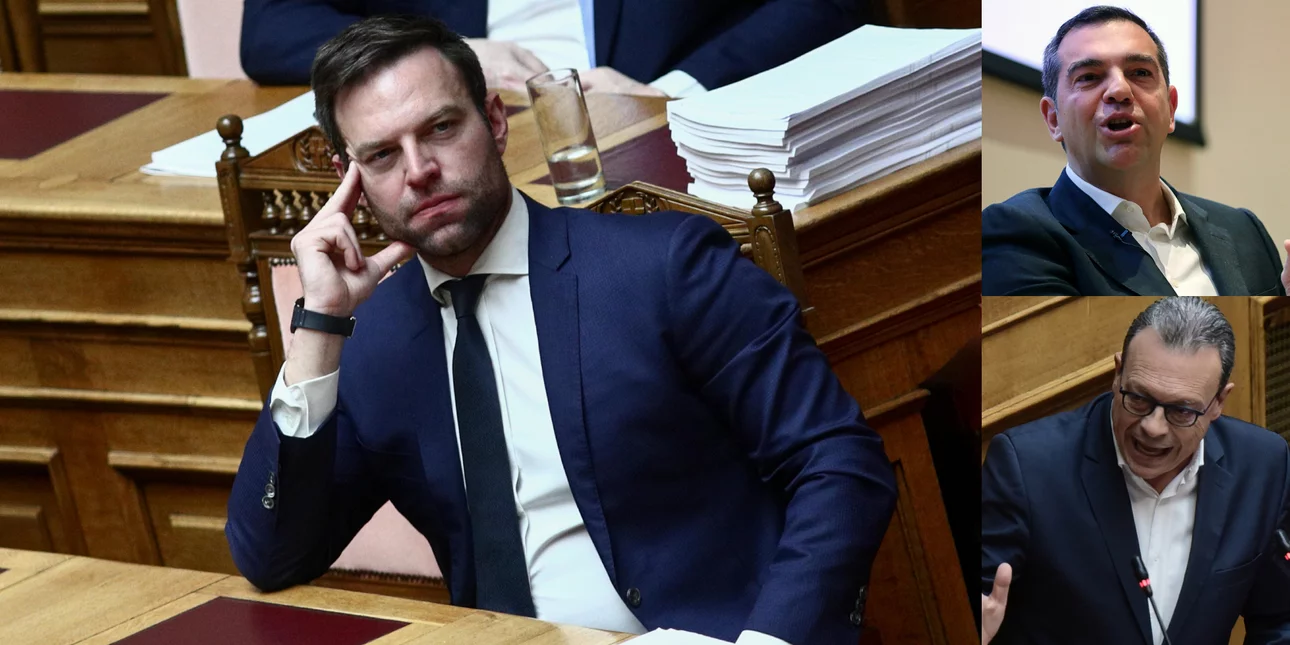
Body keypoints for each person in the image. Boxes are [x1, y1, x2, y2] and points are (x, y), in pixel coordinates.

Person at [224, 14, 896, 645]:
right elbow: (273, 556)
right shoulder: (373, 339)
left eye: (440, 128)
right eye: (381, 155)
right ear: (350, 180)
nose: (419, 170)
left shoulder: (662, 268)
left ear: (495, 122)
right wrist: (318, 328)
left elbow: (838, 461)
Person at [980, 297, 1290, 644]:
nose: (1153, 427)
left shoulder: (1262, 466)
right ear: (1118, 374)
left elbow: (1281, 618)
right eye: (1139, 399)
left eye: (1181, 411)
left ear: (1218, 402)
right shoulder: (1028, 467)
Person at [981, 6, 1287, 297]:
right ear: (1053, 119)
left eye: (1140, 72)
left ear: (1171, 109)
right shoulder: (1017, 234)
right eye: (1089, 77)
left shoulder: (1244, 230)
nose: (1120, 90)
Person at [239, 0, 868, 96]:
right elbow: (272, 27)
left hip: (666, 123)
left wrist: (672, 94)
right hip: (461, 126)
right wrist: (442, 52)